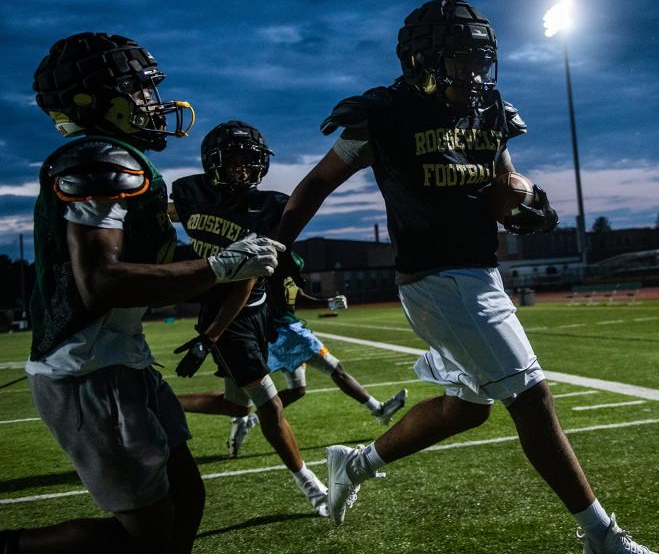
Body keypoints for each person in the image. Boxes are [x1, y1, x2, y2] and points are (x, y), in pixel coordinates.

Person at [278, 0, 656, 553]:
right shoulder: (384, 114)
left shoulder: (491, 108)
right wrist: (279, 247)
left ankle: (354, 464)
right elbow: (314, 185)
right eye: (462, 61)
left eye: (481, 61)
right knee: (532, 397)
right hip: (435, 280)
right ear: (423, 61)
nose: (475, 74)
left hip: (481, 272)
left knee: (466, 410)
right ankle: (601, 538)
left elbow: (505, 185)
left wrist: (528, 205)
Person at [0, 33, 283, 554]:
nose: (153, 102)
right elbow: (103, 281)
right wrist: (220, 265)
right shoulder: (100, 161)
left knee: (187, 500)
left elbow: (150, 262)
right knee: (147, 537)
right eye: (140, 90)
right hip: (88, 365)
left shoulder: (121, 157)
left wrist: (221, 265)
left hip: (121, 357)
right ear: (97, 100)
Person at [167, 120, 328, 515]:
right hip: (226, 316)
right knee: (270, 406)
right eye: (234, 160)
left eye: (249, 161)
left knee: (239, 407)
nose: (243, 169)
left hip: (255, 309)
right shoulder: (191, 193)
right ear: (213, 163)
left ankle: (163, 401)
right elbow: (165, 215)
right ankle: (314, 489)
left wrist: (209, 337)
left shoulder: (268, 207)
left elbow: (249, 276)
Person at [226, 252, 408, 457]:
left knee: (297, 390)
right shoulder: (271, 259)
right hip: (287, 332)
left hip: (281, 332)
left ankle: (250, 420)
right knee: (336, 368)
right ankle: (378, 410)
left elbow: (297, 297)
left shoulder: (285, 259)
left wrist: (327, 303)